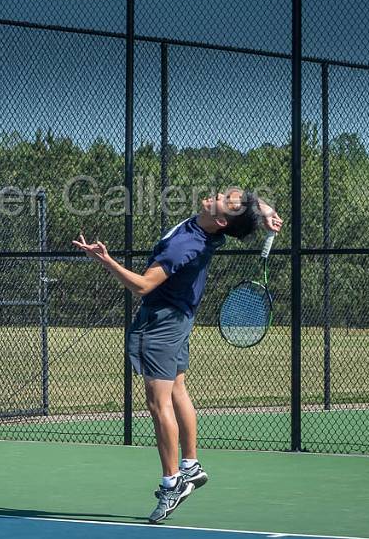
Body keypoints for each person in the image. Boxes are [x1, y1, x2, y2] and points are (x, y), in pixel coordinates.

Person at [72, 188, 282, 524]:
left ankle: (172, 483)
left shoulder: (185, 246)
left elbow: (142, 286)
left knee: (159, 403)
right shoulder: (212, 228)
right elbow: (248, 200)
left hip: (163, 323)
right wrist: (265, 211)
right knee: (178, 390)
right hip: (181, 316)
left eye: (224, 198)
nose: (217, 193)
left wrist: (105, 260)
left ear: (221, 219)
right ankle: (191, 466)